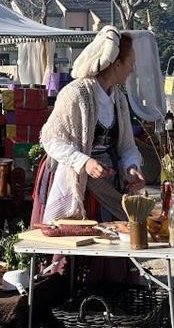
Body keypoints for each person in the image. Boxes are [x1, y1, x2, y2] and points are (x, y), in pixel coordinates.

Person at [33, 26, 146, 226]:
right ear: (116, 64)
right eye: (131, 64)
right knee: (79, 244)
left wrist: (131, 167)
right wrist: (84, 162)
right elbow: (51, 140)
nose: (132, 70)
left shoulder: (118, 99)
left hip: (107, 185)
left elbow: (127, 145)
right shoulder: (75, 93)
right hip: (75, 183)